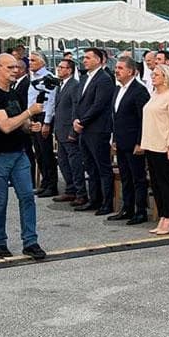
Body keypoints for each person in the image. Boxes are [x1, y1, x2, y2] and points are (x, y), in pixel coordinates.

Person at [0, 53, 48, 260]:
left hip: (18, 153)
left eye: (16, 67)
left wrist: (30, 126)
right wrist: (29, 112)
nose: (15, 71)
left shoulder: (15, 94)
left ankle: (30, 241)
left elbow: (19, 124)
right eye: (9, 67)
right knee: (0, 201)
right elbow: (6, 125)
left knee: (27, 197)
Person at [139, 63, 169, 235]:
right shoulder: (154, 94)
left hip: (164, 145)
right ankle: (162, 215)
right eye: (152, 75)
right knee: (156, 184)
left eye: (156, 74)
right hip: (151, 144)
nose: (153, 77)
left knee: (165, 183)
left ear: (165, 77)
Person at [73, 47, 116, 215]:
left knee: (102, 167)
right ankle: (94, 199)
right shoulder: (84, 78)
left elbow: (99, 105)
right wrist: (76, 119)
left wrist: (82, 121)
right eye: (84, 57)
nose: (84, 60)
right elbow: (79, 102)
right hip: (84, 129)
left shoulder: (104, 79)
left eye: (88, 58)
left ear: (98, 60)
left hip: (98, 129)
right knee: (90, 166)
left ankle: (107, 202)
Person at [109, 56, 150, 225]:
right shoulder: (119, 89)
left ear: (131, 71)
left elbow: (144, 119)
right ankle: (127, 208)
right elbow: (116, 116)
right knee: (125, 176)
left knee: (138, 178)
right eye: (116, 68)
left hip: (135, 142)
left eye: (120, 68)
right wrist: (115, 138)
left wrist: (141, 142)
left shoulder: (139, 90)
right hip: (122, 140)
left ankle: (140, 211)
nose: (116, 71)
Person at [25, 52, 59, 198]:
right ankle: (45, 182)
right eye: (29, 60)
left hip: (44, 115)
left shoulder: (48, 78)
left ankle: (52, 184)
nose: (30, 63)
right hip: (34, 114)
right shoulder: (34, 77)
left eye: (33, 60)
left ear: (42, 62)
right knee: (38, 151)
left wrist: (46, 123)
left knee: (46, 152)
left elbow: (50, 101)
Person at [51, 58, 84, 203]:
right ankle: (70, 189)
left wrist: (73, 131)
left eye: (62, 67)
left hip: (69, 131)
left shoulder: (74, 85)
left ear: (69, 70)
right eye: (58, 67)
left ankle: (80, 192)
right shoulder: (61, 85)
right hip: (60, 130)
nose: (59, 69)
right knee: (63, 162)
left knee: (74, 163)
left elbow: (76, 109)